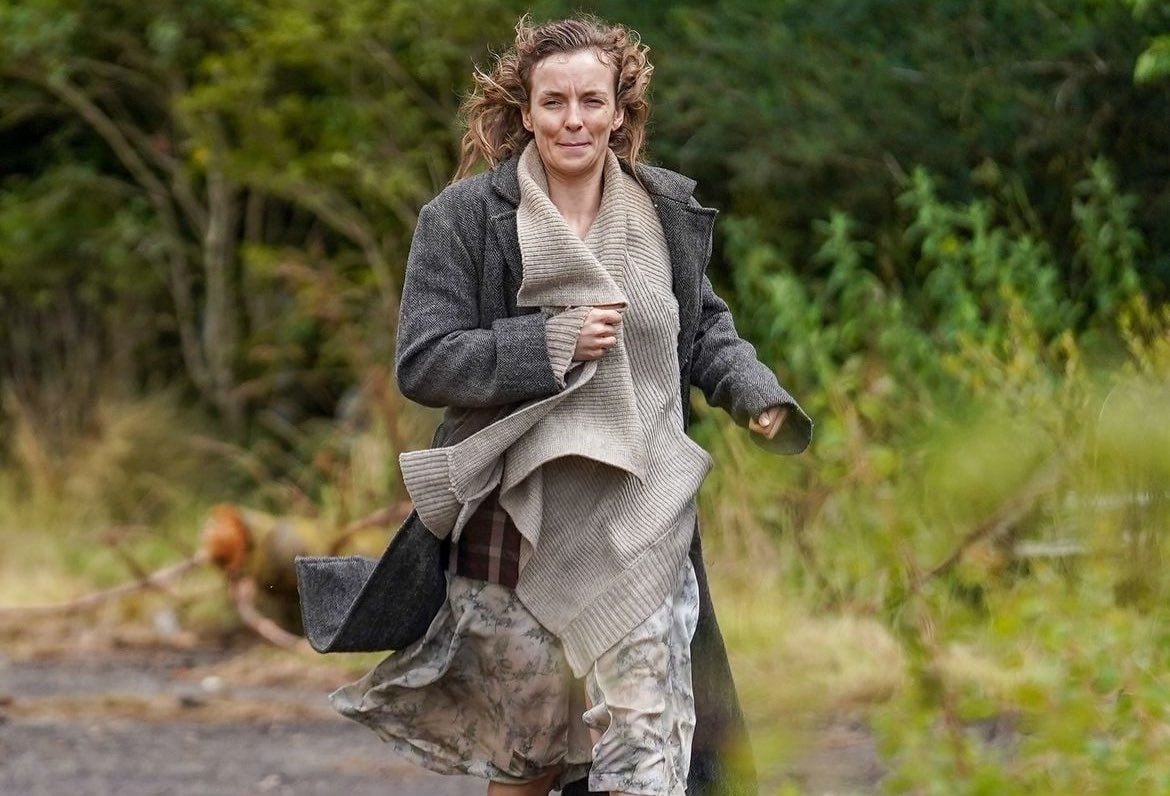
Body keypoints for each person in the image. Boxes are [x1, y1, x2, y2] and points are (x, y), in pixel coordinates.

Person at [328, 15, 812, 796]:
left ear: (620, 110)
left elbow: (703, 332)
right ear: (526, 112)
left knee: (644, 755)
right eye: (554, 102)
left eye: (592, 100)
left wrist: (756, 395)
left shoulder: (663, 211)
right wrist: (546, 343)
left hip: (642, 519)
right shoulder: (461, 220)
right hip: (511, 528)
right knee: (533, 759)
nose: (573, 120)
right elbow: (424, 360)